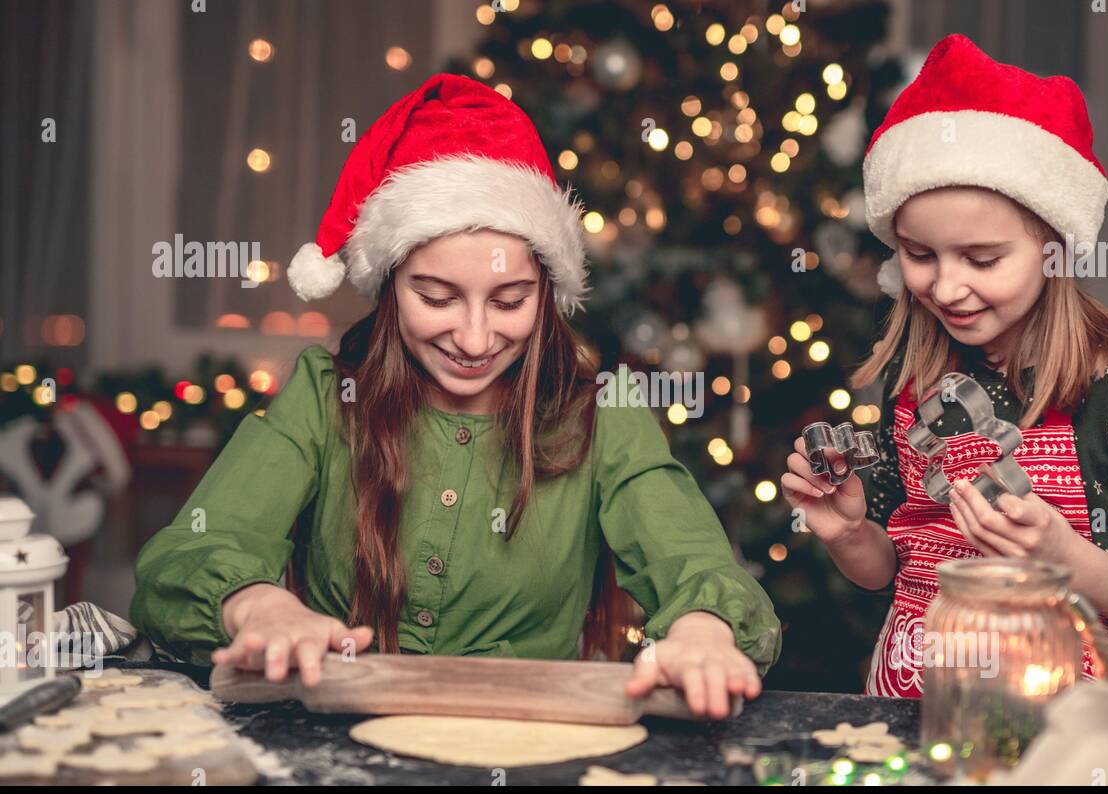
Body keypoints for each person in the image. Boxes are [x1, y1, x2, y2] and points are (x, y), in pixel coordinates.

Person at [132, 73, 781, 719]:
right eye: (436, 297)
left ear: (547, 291)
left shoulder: (603, 411)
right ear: (389, 286)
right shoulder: (325, 396)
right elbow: (183, 561)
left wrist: (704, 628)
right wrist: (257, 604)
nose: (474, 338)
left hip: (535, 749)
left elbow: (697, 562)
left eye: (509, 300)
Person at [781, 35, 1108, 698]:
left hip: (1050, 736)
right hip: (905, 716)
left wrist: (1064, 556)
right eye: (919, 253)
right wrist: (849, 532)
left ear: (1053, 246)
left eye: (983, 259)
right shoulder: (913, 369)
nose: (946, 287)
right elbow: (887, 569)